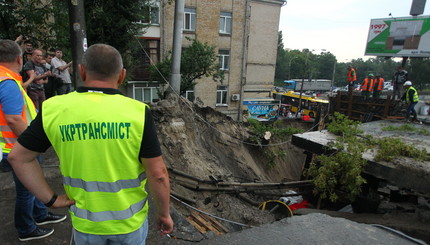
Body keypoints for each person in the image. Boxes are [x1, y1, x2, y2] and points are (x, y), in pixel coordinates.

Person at [8, 43, 174, 244]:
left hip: (86, 225)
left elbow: (18, 158)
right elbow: (158, 175)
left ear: (81, 71)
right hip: (129, 225)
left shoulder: (54, 109)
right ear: (122, 75)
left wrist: (51, 199)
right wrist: (164, 214)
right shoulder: (138, 112)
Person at [0, 39, 67, 242]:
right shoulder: (8, 83)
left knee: (33, 183)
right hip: (15, 146)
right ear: (19, 59)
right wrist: (31, 144)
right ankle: (26, 228)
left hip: (11, 144)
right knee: (26, 190)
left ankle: (40, 214)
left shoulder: (6, 79)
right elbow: (13, 119)